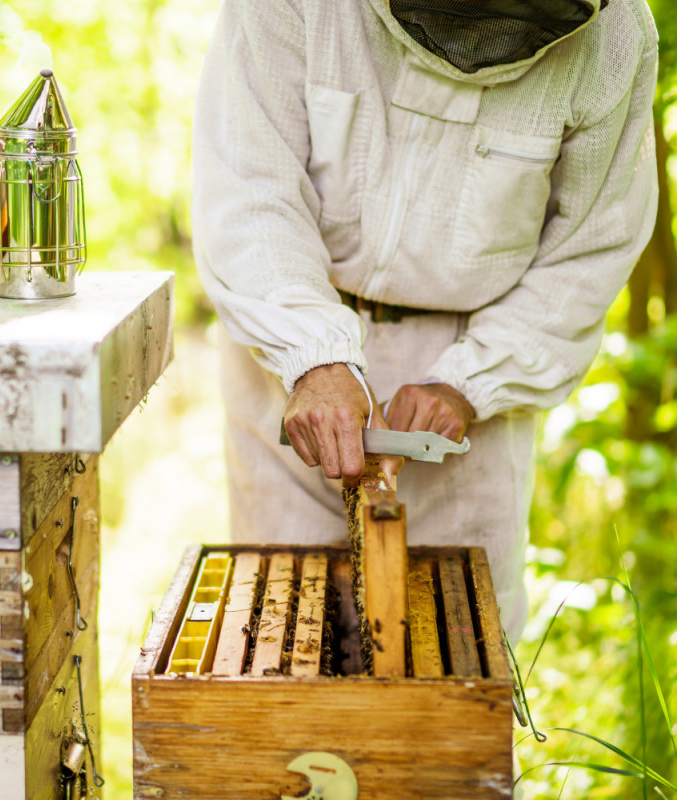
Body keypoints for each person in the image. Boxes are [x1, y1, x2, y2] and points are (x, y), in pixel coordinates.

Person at [191, 0, 658, 642]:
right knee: (284, 645)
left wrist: (471, 383)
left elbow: (592, 247)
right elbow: (249, 187)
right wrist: (311, 356)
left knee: (460, 665)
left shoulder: (616, 39)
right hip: (289, 360)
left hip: (474, 373)